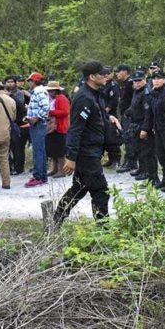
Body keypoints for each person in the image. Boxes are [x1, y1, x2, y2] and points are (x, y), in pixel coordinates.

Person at [53, 61, 114, 225]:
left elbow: (96, 119)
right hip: (86, 152)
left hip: (93, 150)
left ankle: (56, 220)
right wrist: (71, 157)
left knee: (79, 188)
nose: (106, 76)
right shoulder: (84, 97)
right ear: (92, 77)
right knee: (100, 191)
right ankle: (104, 231)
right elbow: (76, 129)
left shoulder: (96, 94)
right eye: (102, 74)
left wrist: (109, 119)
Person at [126, 70, 157, 183]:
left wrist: (145, 128)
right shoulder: (137, 91)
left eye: (139, 81)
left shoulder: (146, 92)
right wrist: (128, 112)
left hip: (143, 124)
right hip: (135, 123)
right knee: (139, 149)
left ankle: (149, 173)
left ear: (144, 80)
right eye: (135, 81)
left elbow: (148, 113)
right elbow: (134, 106)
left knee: (147, 151)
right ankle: (142, 169)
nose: (137, 83)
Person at [142, 69, 165, 186]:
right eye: (154, 79)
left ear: (164, 80)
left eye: (159, 79)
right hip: (156, 129)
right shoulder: (152, 94)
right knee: (161, 155)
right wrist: (146, 128)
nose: (156, 81)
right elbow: (149, 113)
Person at [25, 72, 50, 188]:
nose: (28, 83)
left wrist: (36, 117)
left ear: (34, 81)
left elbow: (46, 106)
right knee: (41, 151)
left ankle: (38, 176)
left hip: (38, 124)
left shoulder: (39, 92)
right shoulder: (38, 91)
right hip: (38, 124)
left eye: (30, 81)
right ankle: (43, 176)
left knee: (38, 151)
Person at [115, 65, 137, 173]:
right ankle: (129, 161)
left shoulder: (130, 83)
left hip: (129, 115)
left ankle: (131, 162)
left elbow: (134, 100)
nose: (117, 74)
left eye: (118, 71)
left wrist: (129, 112)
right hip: (124, 114)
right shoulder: (124, 84)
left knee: (129, 139)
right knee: (126, 138)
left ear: (125, 72)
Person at [5, 75, 28, 176]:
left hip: (20, 124)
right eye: (8, 82)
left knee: (18, 147)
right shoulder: (8, 97)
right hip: (11, 124)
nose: (10, 84)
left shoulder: (19, 94)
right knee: (12, 146)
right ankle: (14, 166)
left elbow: (18, 109)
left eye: (11, 82)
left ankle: (19, 168)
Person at [46, 81, 70, 178]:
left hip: (60, 127)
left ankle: (62, 170)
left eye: (51, 91)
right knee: (53, 150)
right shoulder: (52, 99)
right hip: (53, 127)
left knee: (60, 151)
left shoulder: (62, 98)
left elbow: (65, 112)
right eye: (49, 91)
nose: (49, 93)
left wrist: (50, 112)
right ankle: (55, 169)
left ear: (56, 91)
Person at [101, 67, 121, 167]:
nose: (107, 75)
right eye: (105, 74)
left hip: (111, 115)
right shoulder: (102, 84)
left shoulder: (113, 85)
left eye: (109, 73)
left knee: (112, 139)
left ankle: (116, 159)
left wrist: (107, 110)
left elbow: (114, 100)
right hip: (102, 115)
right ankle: (109, 158)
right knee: (104, 139)